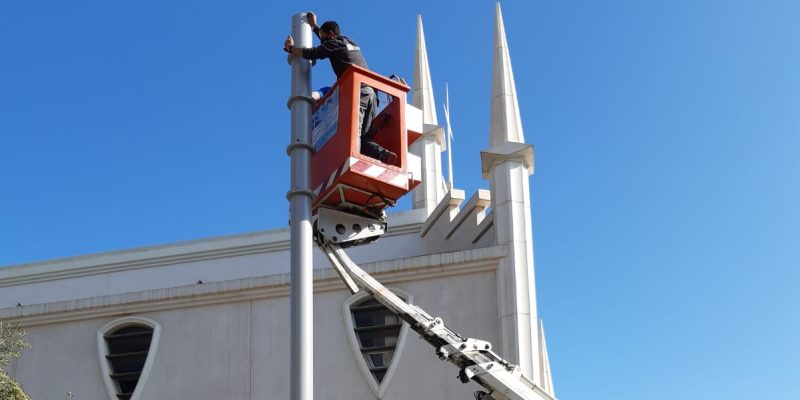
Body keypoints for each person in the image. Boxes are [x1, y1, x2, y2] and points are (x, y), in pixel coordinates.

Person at [284, 12, 397, 164]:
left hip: (359, 94)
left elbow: (314, 53)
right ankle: (383, 155)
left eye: (323, 37)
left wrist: (291, 49)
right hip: (371, 95)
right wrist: (314, 27)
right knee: (363, 138)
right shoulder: (348, 41)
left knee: (354, 133)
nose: (322, 40)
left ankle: (354, 161)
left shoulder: (333, 44)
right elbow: (328, 43)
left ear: (331, 34)